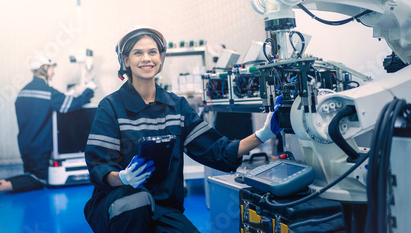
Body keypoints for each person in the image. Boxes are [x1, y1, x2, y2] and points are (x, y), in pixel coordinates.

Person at [83, 26, 281, 233]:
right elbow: (98, 164)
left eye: (152, 52)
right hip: (118, 202)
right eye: (137, 53)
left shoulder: (176, 107)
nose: (146, 58)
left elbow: (216, 149)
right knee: (136, 201)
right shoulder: (111, 107)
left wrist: (264, 134)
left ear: (161, 58)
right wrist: (123, 177)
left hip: (162, 206)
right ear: (125, 60)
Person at [0, 54, 96, 197]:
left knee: (30, 174)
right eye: (51, 68)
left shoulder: (23, 92)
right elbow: (71, 105)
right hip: (39, 147)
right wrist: (89, 91)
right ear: (44, 68)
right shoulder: (47, 92)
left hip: (25, 145)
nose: (53, 72)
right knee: (39, 179)